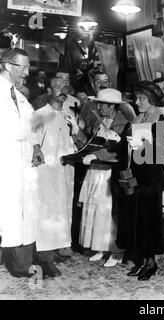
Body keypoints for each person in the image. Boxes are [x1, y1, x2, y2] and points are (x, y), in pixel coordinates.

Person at [116, 81, 164, 281]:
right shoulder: (137, 118)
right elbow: (124, 145)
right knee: (138, 220)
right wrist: (121, 142)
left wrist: (142, 145)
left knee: (150, 221)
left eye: (141, 99)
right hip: (135, 177)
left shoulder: (162, 120)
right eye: (137, 98)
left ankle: (151, 262)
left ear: (152, 100)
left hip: (150, 179)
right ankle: (141, 260)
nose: (137, 102)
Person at [0, 48, 45, 278]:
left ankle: (20, 264)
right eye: (23, 67)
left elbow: (30, 125)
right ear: (8, 66)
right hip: (6, 164)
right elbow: (13, 131)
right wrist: (45, 115)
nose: (27, 73)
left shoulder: (20, 96)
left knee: (24, 212)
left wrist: (36, 146)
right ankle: (11, 261)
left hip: (24, 165)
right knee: (8, 213)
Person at [32, 77, 83, 277]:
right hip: (47, 173)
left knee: (62, 212)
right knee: (47, 212)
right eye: (57, 87)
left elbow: (77, 141)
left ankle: (54, 249)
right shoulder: (40, 114)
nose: (62, 90)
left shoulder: (69, 115)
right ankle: (44, 258)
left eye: (65, 87)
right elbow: (28, 138)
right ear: (49, 89)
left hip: (66, 172)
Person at [78, 88, 130, 267]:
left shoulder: (123, 123)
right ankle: (101, 247)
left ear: (112, 106)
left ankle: (116, 252)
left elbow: (120, 150)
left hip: (110, 173)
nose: (98, 107)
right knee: (96, 211)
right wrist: (77, 131)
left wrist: (97, 156)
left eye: (102, 104)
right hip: (95, 171)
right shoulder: (99, 121)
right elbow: (89, 143)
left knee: (109, 212)